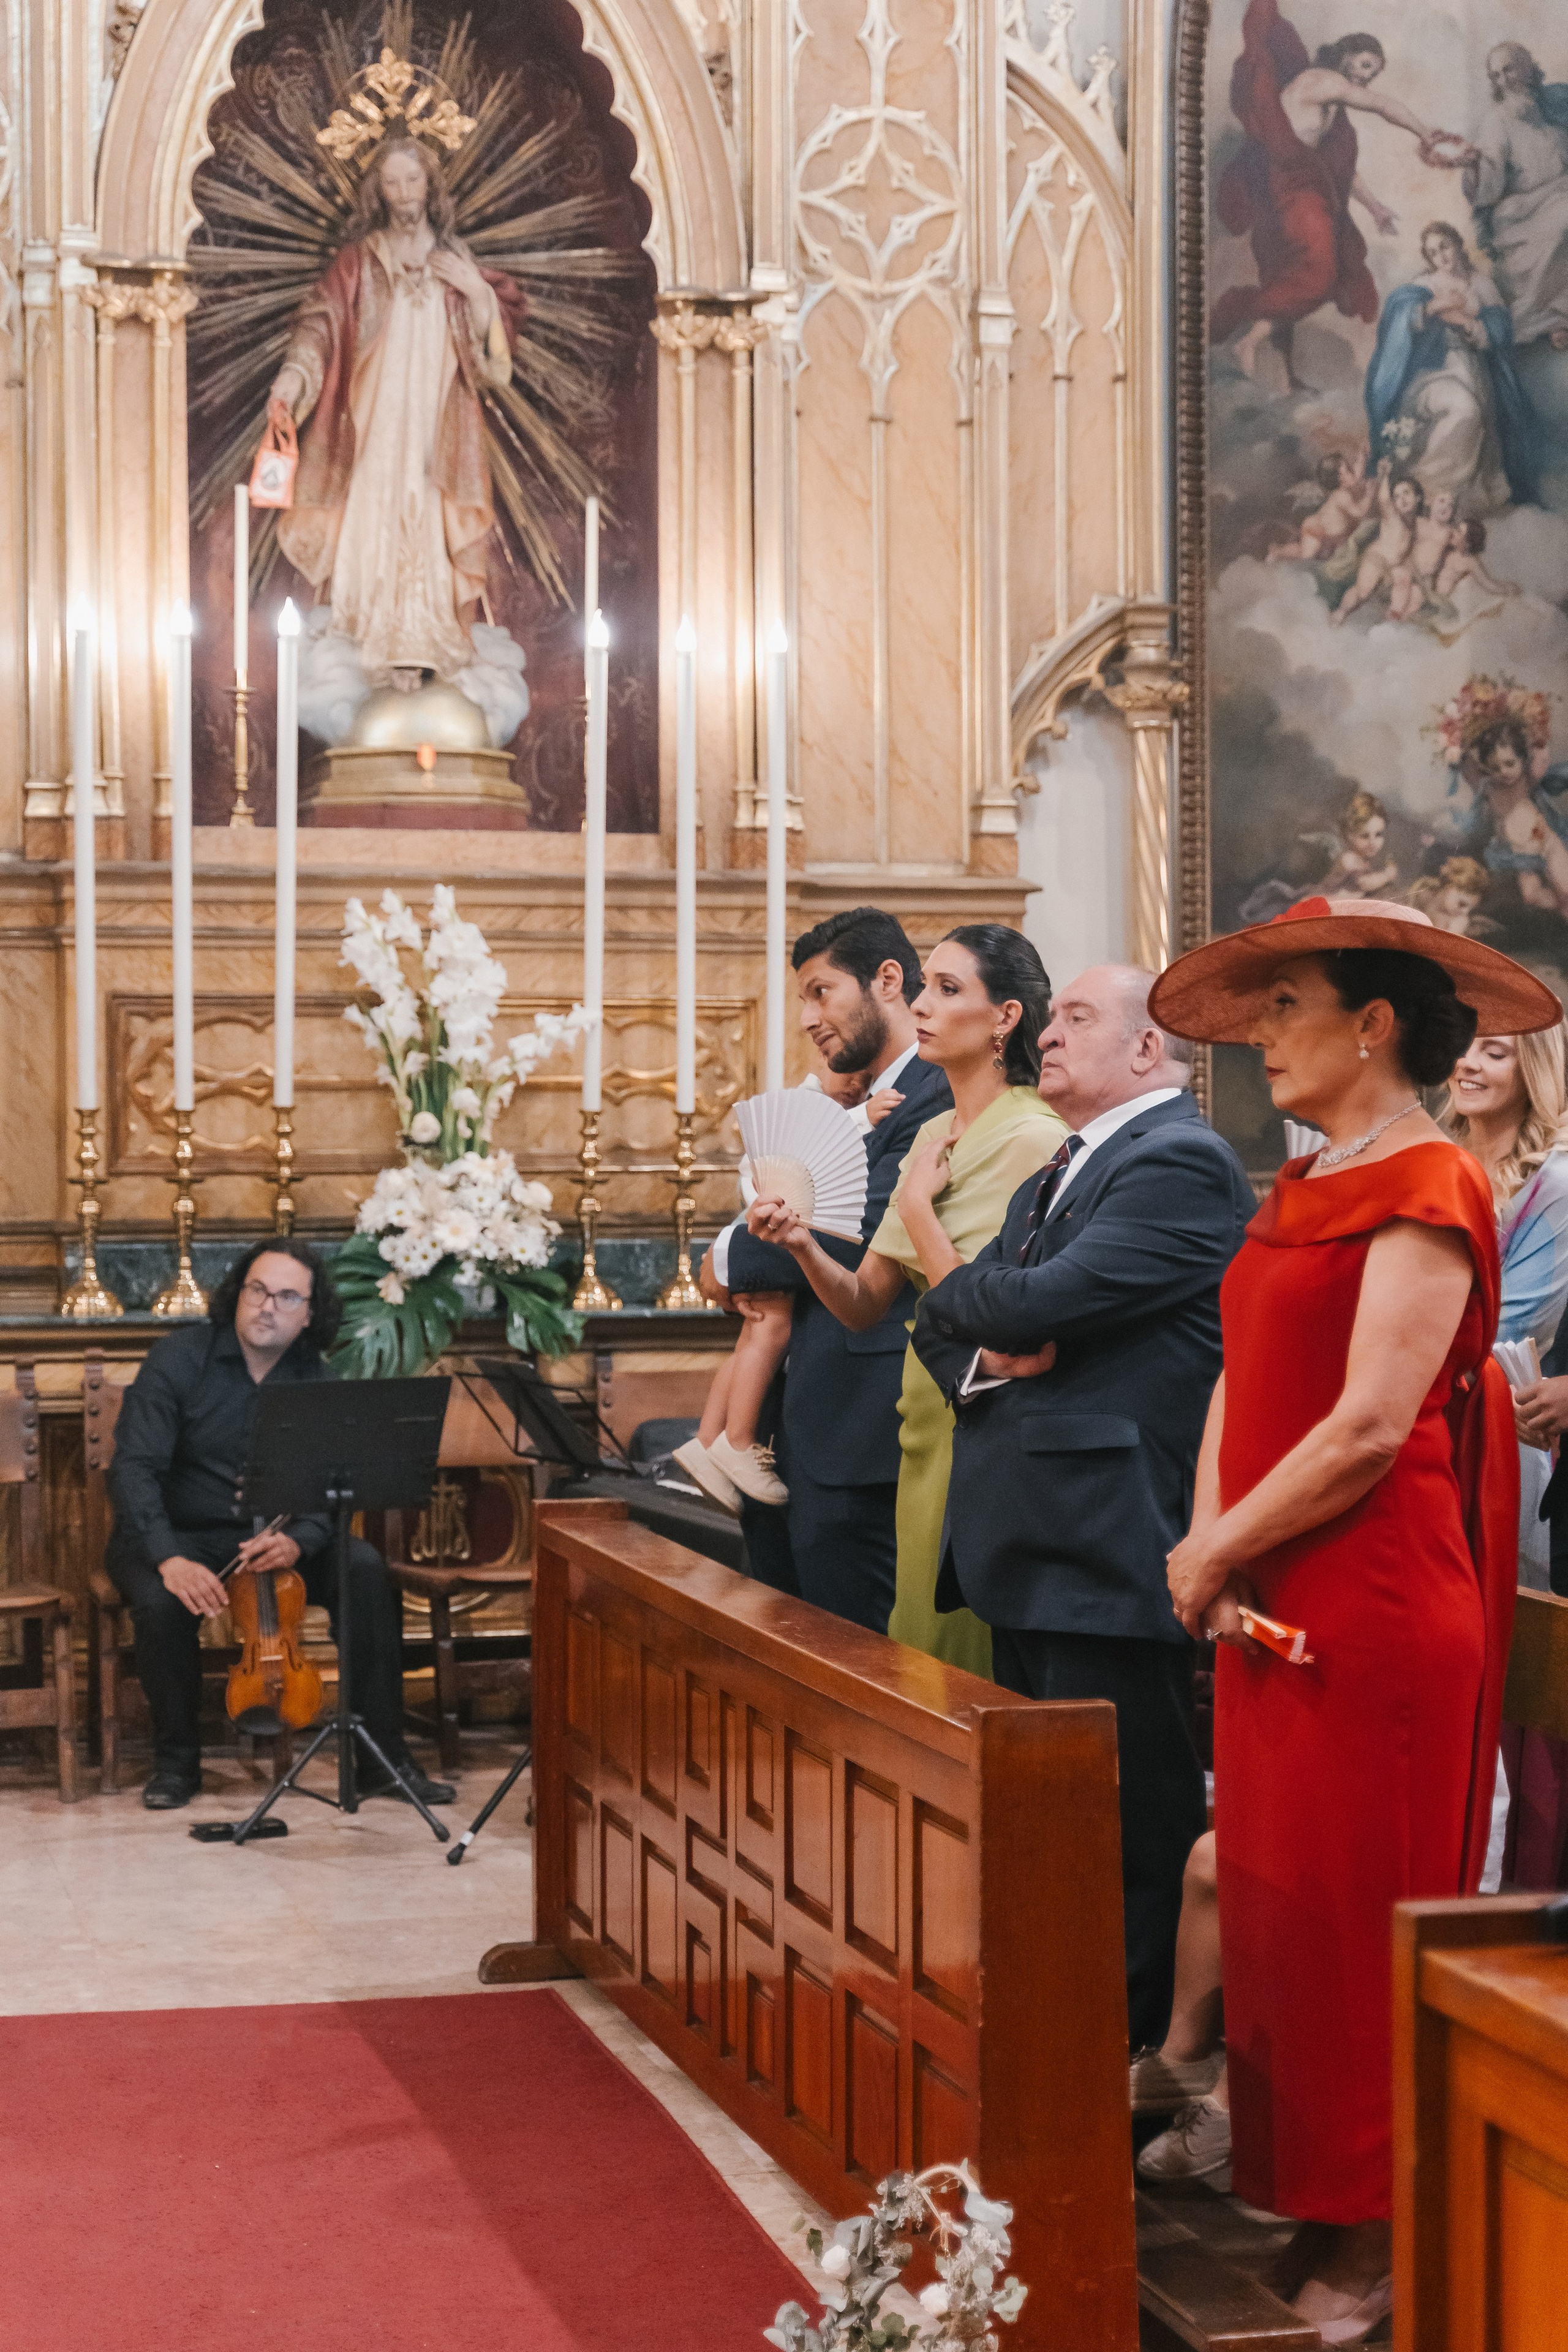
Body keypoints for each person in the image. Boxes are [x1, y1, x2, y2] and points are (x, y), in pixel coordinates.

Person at [1156, 895, 1556, 2343]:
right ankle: (1318, 2200)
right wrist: (1209, 1539)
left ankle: (1378, 2229)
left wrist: (1217, 1546)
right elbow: (1234, 1375)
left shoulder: (1428, 1181)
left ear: (1368, 1021)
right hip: (1273, 1585)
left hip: (1375, 1608)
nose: (1261, 1031)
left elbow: (1369, 1426)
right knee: (1280, 1913)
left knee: (1354, 1914)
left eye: (1284, 1006)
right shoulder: (1305, 1178)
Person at [909, 965, 1252, 2049]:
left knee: (1129, 1828)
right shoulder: (1062, 1166)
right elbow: (952, 1325)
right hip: (1031, 1539)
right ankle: (1060, 2041)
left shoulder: (1181, 1163)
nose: (1046, 1035)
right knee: (1051, 1829)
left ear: (1150, 1052)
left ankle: (1137, 2059)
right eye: (1051, 1019)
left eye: (1076, 1019)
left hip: (1108, 1543)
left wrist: (934, 1234)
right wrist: (999, 1336)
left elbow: (1023, 1299)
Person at [744, 925, 1061, 1676]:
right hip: (916, 1421)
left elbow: (985, 1314)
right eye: (925, 987)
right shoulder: (932, 1138)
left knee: (958, 1663)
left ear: (1004, 1018)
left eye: (948, 990)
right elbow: (863, 1300)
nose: (922, 1005)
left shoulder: (1033, 1137)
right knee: (909, 1648)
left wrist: (917, 1208)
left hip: (979, 1428)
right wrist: (799, 1244)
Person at [106, 1240, 454, 1812]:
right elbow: (134, 1470)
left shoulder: (317, 1379)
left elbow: (333, 1487)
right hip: (180, 1532)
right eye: (258, 1290)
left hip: (278, 1536)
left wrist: (300, 1541)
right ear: (237, 1295)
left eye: (288, 1296)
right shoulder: (177, 1359)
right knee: (162, 1603)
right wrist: (169, 1557)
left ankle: (382, 1761)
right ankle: (177, 1763)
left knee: (364, 1570)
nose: (268, 1306)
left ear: (310, 1314)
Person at [699, 908, 954, 1634]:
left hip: (865, 1430)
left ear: (887, 980)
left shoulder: (929, 1099)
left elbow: (853, 1233)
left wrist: (723, 1259)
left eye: (821, 992)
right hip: (815, 1423)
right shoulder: (860, 1103)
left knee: (860, 1652)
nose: (809, 1018)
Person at [268, 135, 525, 703]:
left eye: (413, 181)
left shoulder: (454, 263)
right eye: (392, 183)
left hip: (437, 429)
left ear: (430, 186)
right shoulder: (361, 261)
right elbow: (321, 324)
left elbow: (491, 370)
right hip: (372, 430)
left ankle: (427, 640)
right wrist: (294, 378)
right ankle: (370, 640)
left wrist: (478, 294)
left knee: (430, 521)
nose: (404, 193)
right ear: (378, 193)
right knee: (371, 516)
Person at [679, 1065, 901, 1510]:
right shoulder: (814, 1103)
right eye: (850, 1078)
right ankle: (738, 1441)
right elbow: (825, 1141)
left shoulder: (831, 1098)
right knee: (771, 1330)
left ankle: (705, 1441)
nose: (857, 1086)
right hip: (768, 1223)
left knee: (750, 1342)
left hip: (764, 1223)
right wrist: (866, 1116)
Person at [1209, 7, 1459, 387]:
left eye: (1372, 73)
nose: (1365, 77)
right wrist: (1423, 131)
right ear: (1346, 58)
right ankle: (1244, 329)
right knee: (1319, 273)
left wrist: (1375, 208)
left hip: (1309, 188)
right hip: (1292, 190)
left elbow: (1337, 169)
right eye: (1364, 66)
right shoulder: (1322, 81)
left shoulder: (1333, 106)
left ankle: (1271, 360)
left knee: (1300, 274)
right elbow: (1380, 105)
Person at [1363, 222, 1542, 520]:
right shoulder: (1423, 287)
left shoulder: (1482, 284)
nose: (1442, 257)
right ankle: (1420, 487)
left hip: (1474, 372)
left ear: (1459, 245)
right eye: (1433, 253)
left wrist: (1467, 323)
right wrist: (1432, 309)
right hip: (1430, 375)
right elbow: (1396, 325)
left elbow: (1500, 330)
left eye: (1445, 246)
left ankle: (1444, 498)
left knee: (1478, 416)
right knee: (1464, 410)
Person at [1461, 42, 1568, 352]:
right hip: (1521, 214)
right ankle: (1551, 319)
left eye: (1508, 69)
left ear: (1527, 67)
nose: (1503, 80)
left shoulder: (1554, 106)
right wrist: (1474, 168)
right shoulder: (1498, 121)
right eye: (1495, 75)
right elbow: (1488, 188)